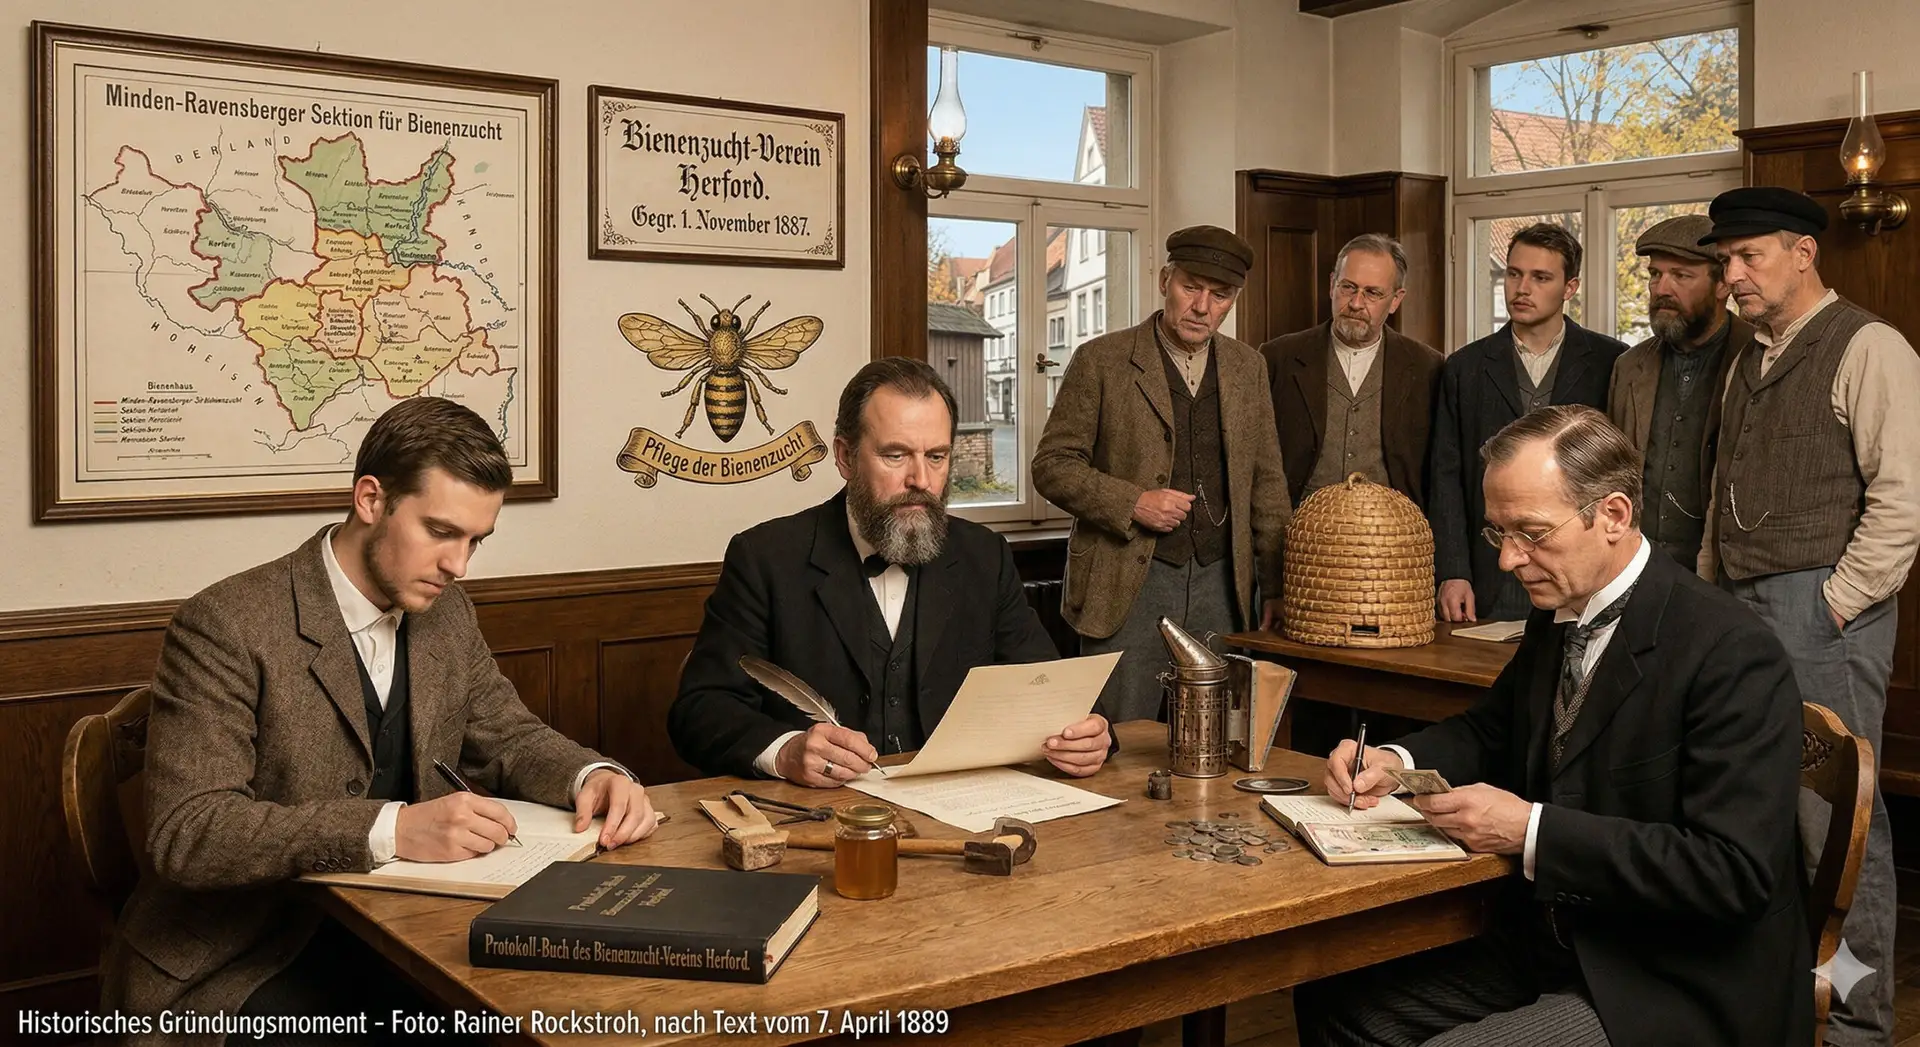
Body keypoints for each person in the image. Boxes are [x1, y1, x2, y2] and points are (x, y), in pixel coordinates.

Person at [99, 397, 658, 1034]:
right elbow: (190, 832)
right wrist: (393, 829)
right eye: (440, 532)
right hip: (238, 959)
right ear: (370, 499)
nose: (458, 565)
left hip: (400, 932)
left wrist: (593, 775)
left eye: (475, 541)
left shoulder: (447, 612)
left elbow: (508, 734)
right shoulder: (226, 623)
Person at [1295, 405, 1810, 1047]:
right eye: (1499, 533)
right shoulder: (1560, 608)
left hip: (1674, 978)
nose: (1509, 560)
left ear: (1613, 515)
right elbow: (1493, 731)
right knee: (1334, 999)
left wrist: (1530, 831)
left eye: (1532, 533)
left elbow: (1733, 872)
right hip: (1558, 942)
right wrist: (1395, 761)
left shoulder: (1733, 651)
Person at [1698, 185, 1920, 1047]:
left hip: (1820, 611)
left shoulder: (1869, 346)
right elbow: (1722, 493)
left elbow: (1902, 501)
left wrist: (1835, 603)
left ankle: (1859, 1025)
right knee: (1757, 809)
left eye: (1748, 257)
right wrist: (1712, 594)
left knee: (1837, 826)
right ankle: (1789, 1005)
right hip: (1739, 607)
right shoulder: (1745, 359)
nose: (1732, 276)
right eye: (1726, 260)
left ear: (1803, 253)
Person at [669, 358, 1111, 784]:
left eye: (936, 456)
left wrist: (1087, 735)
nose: (921, 479)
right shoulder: (765, 557)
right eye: (896, 455)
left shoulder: (984, 555)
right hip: (820, 816)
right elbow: (700, 710)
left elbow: (1049, 688)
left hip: (960, 812)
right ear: (845, 457)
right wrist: (786, 751)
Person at [1033, 225, 1290, 723]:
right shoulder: (1101, 360)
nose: (1202, 306)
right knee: (1119, 737)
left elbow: (1268, 486)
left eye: (1220, 295)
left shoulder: (1249, 368)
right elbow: (1052, 466)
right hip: (1126, 583)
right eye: (1191, 287)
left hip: (1223, 587)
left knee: (1214, 738)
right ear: (1164, 280)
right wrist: (1132, 503)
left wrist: (1275, 587)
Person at [1430, 223, 1627, 623]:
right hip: (1490, 573)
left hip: (1580, 575)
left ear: (1570, 287)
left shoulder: (1612, 362)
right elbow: (1445, 477)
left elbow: (1619, 476)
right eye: (1514, 274)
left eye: (1540, 278)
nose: (1522, 289)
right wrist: (1453, 571)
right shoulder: (1464, 367)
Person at [1605, 213, 1753, 570]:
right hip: (1640, 567)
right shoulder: (1629, 366)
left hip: (1725, 572)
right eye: (1655, 275)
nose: (1661, 289)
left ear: (1723, 285)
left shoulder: (1758, 357)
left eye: (1681, 276)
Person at [1260, 233, 1444, 508]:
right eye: (1348, 287)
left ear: (1396, 300)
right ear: (1332, 285)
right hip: (1298, 527)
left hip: (1392, 528)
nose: (1356, 303)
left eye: (1372, 293)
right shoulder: (1277, 358)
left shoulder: (1429, 367)